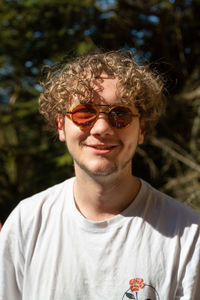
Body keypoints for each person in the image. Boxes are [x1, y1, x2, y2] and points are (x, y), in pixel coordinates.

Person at [0, 51, 199, 300]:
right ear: (61, 125)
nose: (102, 128)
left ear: (141, 130)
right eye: (84, 113)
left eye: (120, 115)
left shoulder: (189, 237)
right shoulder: (26, 223)